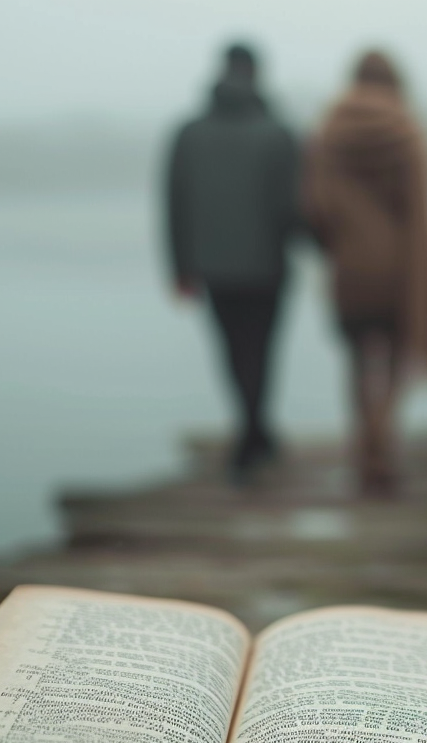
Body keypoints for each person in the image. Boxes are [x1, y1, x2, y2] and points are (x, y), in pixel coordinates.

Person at [302, 50, 427, 497]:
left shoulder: (327, 134)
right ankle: (381, 441)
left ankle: (365, 444)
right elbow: (422, 212)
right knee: (398, 358)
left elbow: (313, 207)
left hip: (349, 267)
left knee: (358, 360)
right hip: (401, 270)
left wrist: (333, 244)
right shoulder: (408, 132)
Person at [164, 42, 300, 483]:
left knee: (231, 352)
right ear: (258, 74)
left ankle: (251, 432)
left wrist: (180, 269)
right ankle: (254, 434)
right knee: (261, 351)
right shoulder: (279, 132)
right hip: (268, 267)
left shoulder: (187, 134)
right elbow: (294, 208)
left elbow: (174, 208)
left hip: (212, 268)